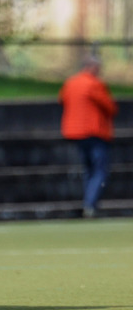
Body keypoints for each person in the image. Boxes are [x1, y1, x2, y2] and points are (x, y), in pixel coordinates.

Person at [59, 53, 117, 218]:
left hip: (74, 132)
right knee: (99, 170)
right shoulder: (95, 84)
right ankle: (90, 204)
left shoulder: (70, 83)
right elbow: (110, 107)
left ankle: (88, 202)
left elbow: (62, 99)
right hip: (94, 132)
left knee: (89, 170)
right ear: (92, 68)